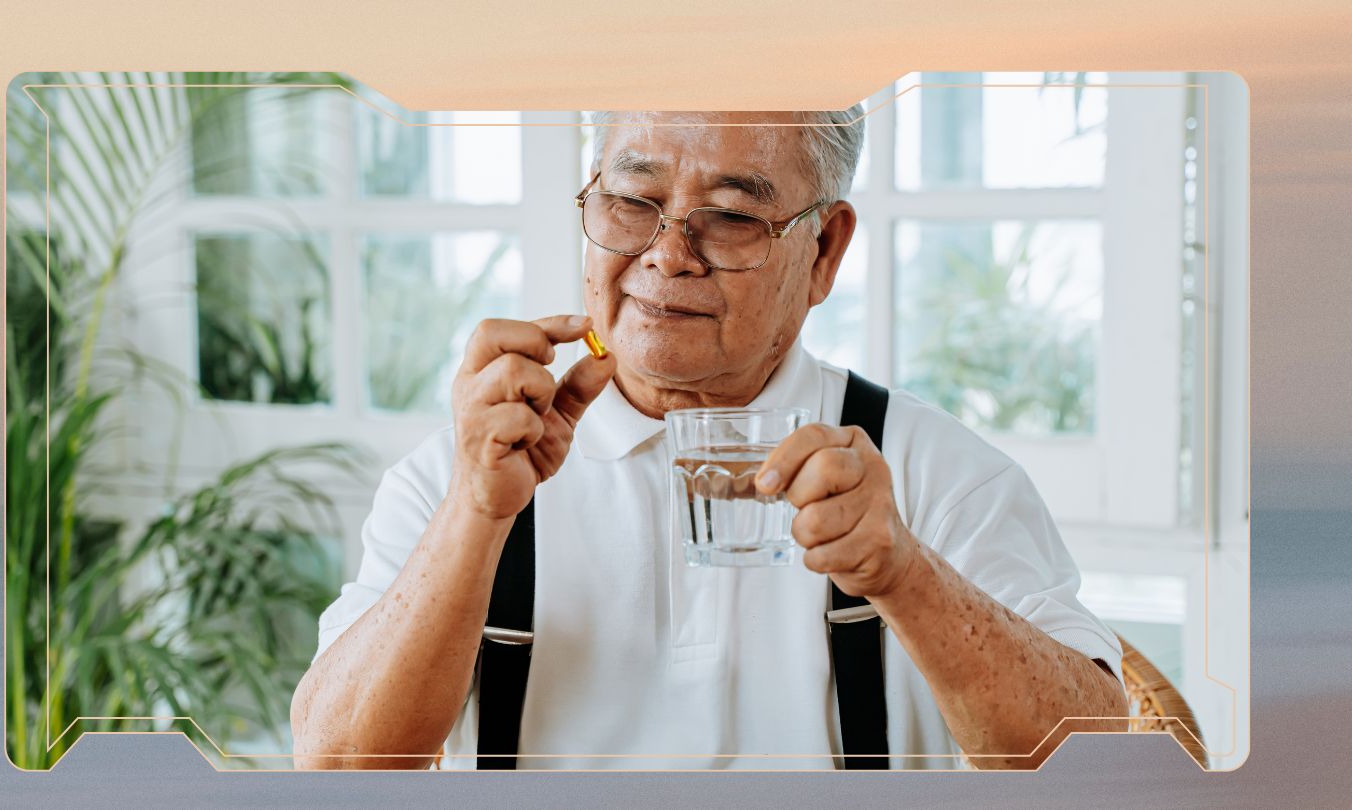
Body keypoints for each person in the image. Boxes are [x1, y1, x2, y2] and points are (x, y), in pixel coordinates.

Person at [290, 109, 1127, 771]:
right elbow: (338, 764)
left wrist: (905, 574)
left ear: (824, 251)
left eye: (728, 216)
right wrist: (475, 515)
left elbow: (1094, 767)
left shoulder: (939, 474)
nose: (666, 254)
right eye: (630, 201)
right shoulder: (456, 472)